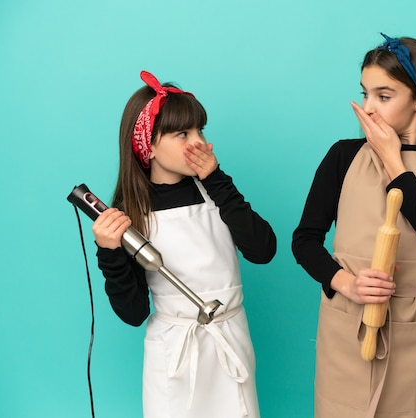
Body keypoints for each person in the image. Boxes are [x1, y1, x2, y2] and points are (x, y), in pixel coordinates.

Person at [292, 33, 416, 418]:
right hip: (346, 328)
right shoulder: (343, 156)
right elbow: (304, 241)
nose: (368, 108)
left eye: (383, 96)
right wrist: (347, 283)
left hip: (412, 333)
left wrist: (393, 161)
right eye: (365, 94)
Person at [92, 70, 276, 418]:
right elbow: (133, 314)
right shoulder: (130, 215)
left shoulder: (216, 191)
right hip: (174, 352)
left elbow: (263, 250)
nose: (200, 143)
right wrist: (110, 252)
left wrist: (219, 180)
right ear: (149, 146)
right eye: (182, 133)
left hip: (229, 337)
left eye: (200, 131)